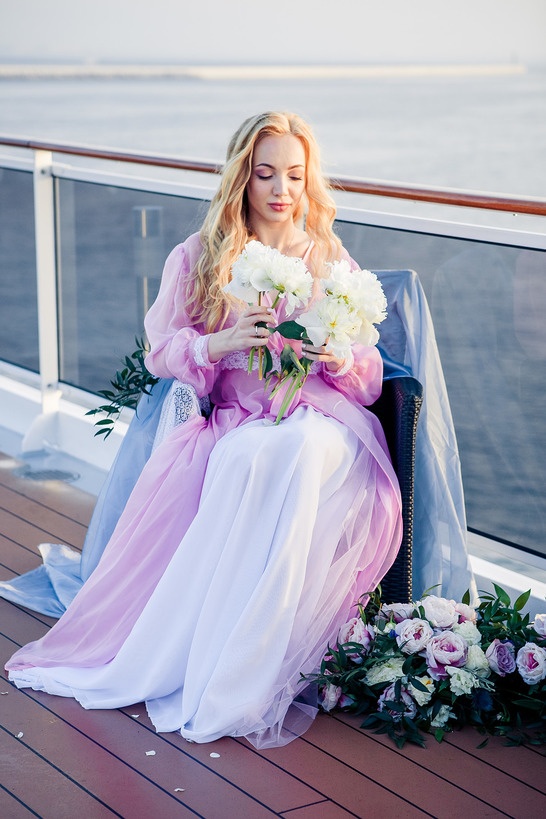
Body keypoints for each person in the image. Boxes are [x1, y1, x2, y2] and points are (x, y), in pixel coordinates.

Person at [5, 111, 402, 749]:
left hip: (325, 418)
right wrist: (222, 341)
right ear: (242, 176)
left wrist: (335, 354)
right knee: (247, 459)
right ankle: (216, 663)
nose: (281, 190)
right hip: (242, 417)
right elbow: (162, 352)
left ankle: (256, 669)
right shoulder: (199, 256)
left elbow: (369, 372)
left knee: (296, 449)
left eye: (294, 175)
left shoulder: (327, 256)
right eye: (265, 173)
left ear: (308, 180)